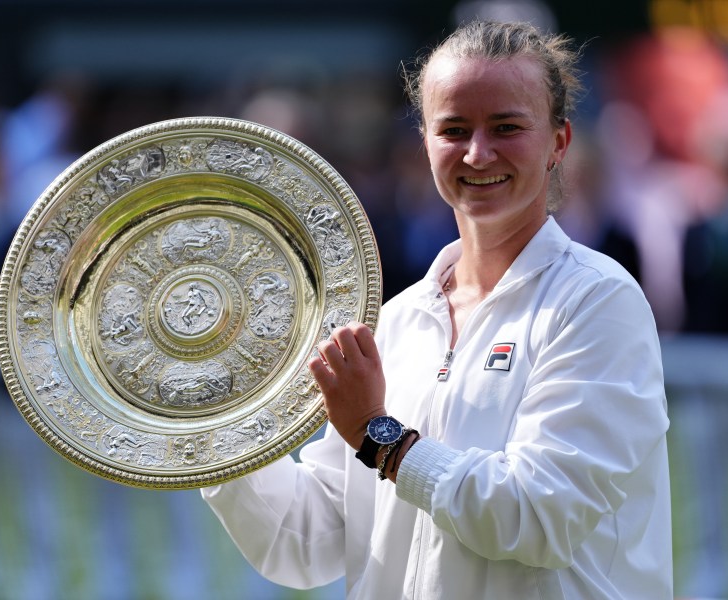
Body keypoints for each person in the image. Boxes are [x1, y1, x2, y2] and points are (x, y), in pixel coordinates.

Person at [202, 19, 672, 599]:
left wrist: (380, 439)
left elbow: (536, 519)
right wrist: (213, 418)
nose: (478, 152)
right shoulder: (395, 321)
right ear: (424, 141)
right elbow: (305, 544)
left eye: (507, 126)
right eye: (453, 129)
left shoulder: (599, 301)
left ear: (559, 142)